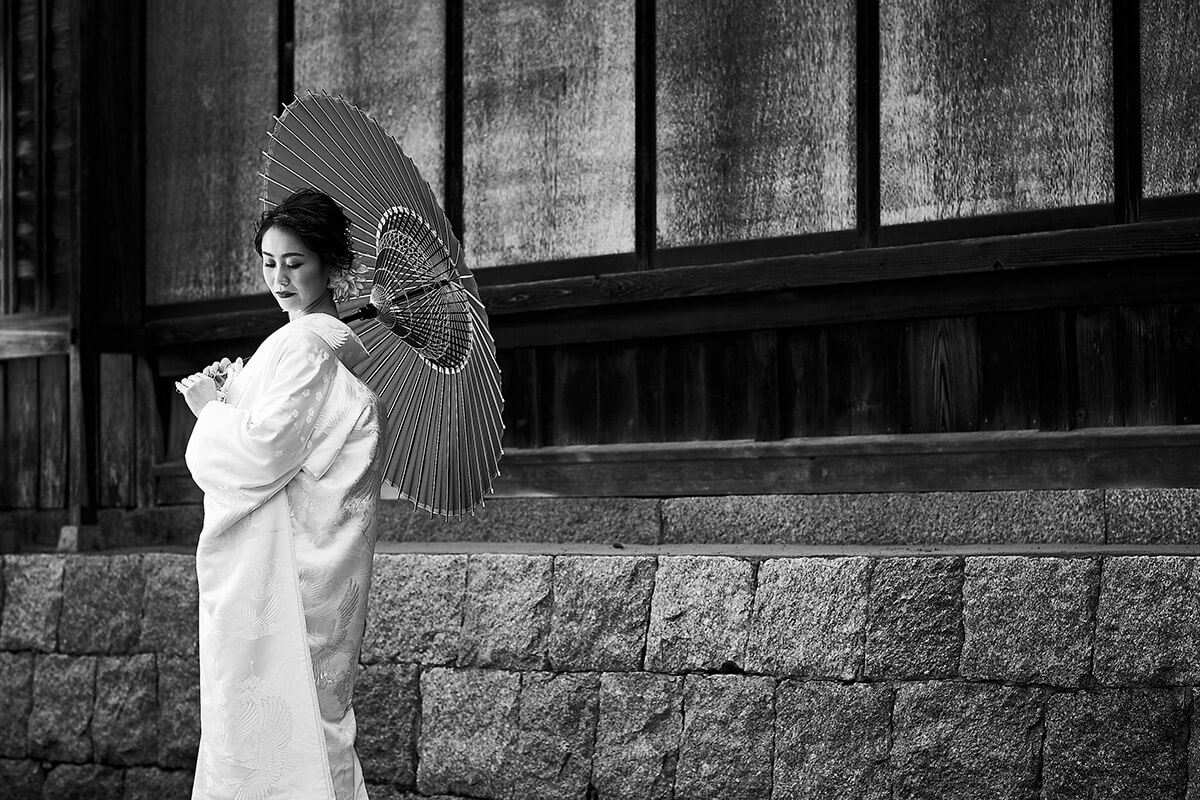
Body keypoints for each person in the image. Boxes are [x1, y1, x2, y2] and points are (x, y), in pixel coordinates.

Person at [179, 188, 385, 800]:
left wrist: (211, 413)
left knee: (273, 728)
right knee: (308, 729)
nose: (279, 277)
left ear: (329, 264)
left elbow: (265, 453)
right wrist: (240, 390)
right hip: (311, 574)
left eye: (295, 263)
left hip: (282, 582)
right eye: (269, 262)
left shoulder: (303, 345)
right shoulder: (318, 346)